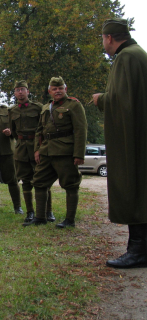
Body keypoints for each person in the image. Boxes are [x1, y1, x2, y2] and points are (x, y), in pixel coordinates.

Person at [92, 18, 147, 268]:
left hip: (133, 139)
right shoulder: (138, 55)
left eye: (103, 39)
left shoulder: (126, 58)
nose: (103, 43)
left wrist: (101, 99)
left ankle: (137, 251)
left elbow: (122, 100)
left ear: (110, 38)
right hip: (140, 134)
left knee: (132, 187)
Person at [24, 77, 87, 228]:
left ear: (65, 89)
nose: (58, 91)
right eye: (54, 88)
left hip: (65, 151)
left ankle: (69, 220)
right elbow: (39, 130)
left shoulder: (74, 105)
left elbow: (80, 130)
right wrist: (37, 150)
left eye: (60, 88)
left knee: (70, 184)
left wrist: (79, 154)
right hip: (46, 151)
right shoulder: (47, 107)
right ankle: (40, 217)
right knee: (39, 182)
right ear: (49, 91)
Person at [10, 80, 55, 223]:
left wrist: (40, 147)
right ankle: (30, 212)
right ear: (15, 93)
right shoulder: (12, 110)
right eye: (17, 90)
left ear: (28, 91)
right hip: (21, 150)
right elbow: (13, 132)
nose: (20, 92)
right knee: (26, 181)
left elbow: (44, 128)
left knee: (43, 180)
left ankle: (48, 211)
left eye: (23, 89)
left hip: (37, 148)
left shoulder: (38, 108)